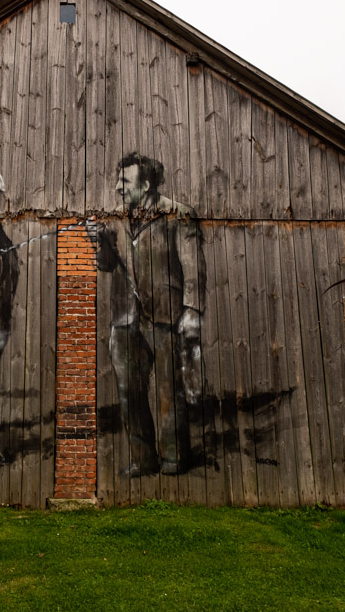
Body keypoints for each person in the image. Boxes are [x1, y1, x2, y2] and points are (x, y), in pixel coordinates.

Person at [97, 152, 206, 477]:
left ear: (145, 185)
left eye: (124, 181)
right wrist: (100, 244)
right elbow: (105, 264)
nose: (117, 187)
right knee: (129, 392)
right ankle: (143, 459)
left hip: (165, 314)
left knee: (168, 390)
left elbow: (193, 267)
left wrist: (191, 310)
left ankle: (174, 458)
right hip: (125, 318)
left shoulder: (178, 215)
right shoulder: (114, 218)